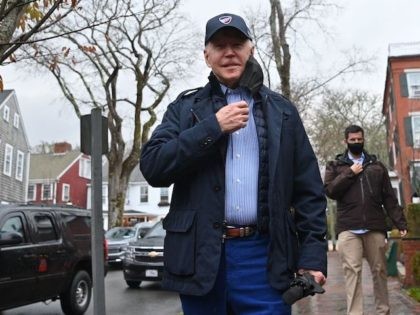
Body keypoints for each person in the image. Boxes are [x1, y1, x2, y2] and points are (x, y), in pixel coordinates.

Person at [140, 13, 327, 315]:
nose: (229, 52)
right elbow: (153, 167)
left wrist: (313, 257)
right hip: (200, 258)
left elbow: (309, 192)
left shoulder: (283, 112)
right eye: (219, 45)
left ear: (250, 50)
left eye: (237, 44)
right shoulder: (184, 109)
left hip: (264, 259)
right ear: (206, 55)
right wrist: (212, 128)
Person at [324, 124, 408, 315]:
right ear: (345, 141)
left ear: (363, 139)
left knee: (379, 272)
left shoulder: (377, 166)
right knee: (352, 272)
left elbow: (389, 197)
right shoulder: (335, 166)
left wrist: (400, 222)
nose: (356, 143)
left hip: (374, 226)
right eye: (352, 140)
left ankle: (383, 311)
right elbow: (330, 191)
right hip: (348, 228)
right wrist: (350, 173)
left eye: (359, 140)